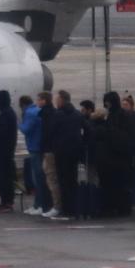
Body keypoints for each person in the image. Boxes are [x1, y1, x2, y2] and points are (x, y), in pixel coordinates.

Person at [98, 92, 135, 217]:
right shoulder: (121, 115)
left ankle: (115, 208)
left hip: (116, 156)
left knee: (115, 184)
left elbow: (119, 135)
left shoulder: (118, 116)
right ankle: (119, 207)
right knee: (118, 184)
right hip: (119, 157)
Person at [45, 89, 82, 220]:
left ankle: (67, 210)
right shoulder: (77, 114)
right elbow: (87, 129)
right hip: (74, 152)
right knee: (72, 181)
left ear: (61, 100)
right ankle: (75, 209)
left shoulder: (58, 115)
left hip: (61, 153)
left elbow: (51, 132)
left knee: (63, 182)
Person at [0, 90, 18, 213]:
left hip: (3, 152)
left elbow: (2, 135)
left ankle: (7, 201)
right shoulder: (7, 113)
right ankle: (6, 201)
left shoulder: (6, 114)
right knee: (1, 177)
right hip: (3, 151)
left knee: (3, 177)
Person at [20, 93, 46, 213]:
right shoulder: (37, 110)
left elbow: (26, 129)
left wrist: (18, 123)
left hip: (34, 147)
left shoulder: (29, 113)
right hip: (40, 146)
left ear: (23, 105)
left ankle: (39, 205)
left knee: (37, 178)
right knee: (40, 177)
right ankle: (38, 204)